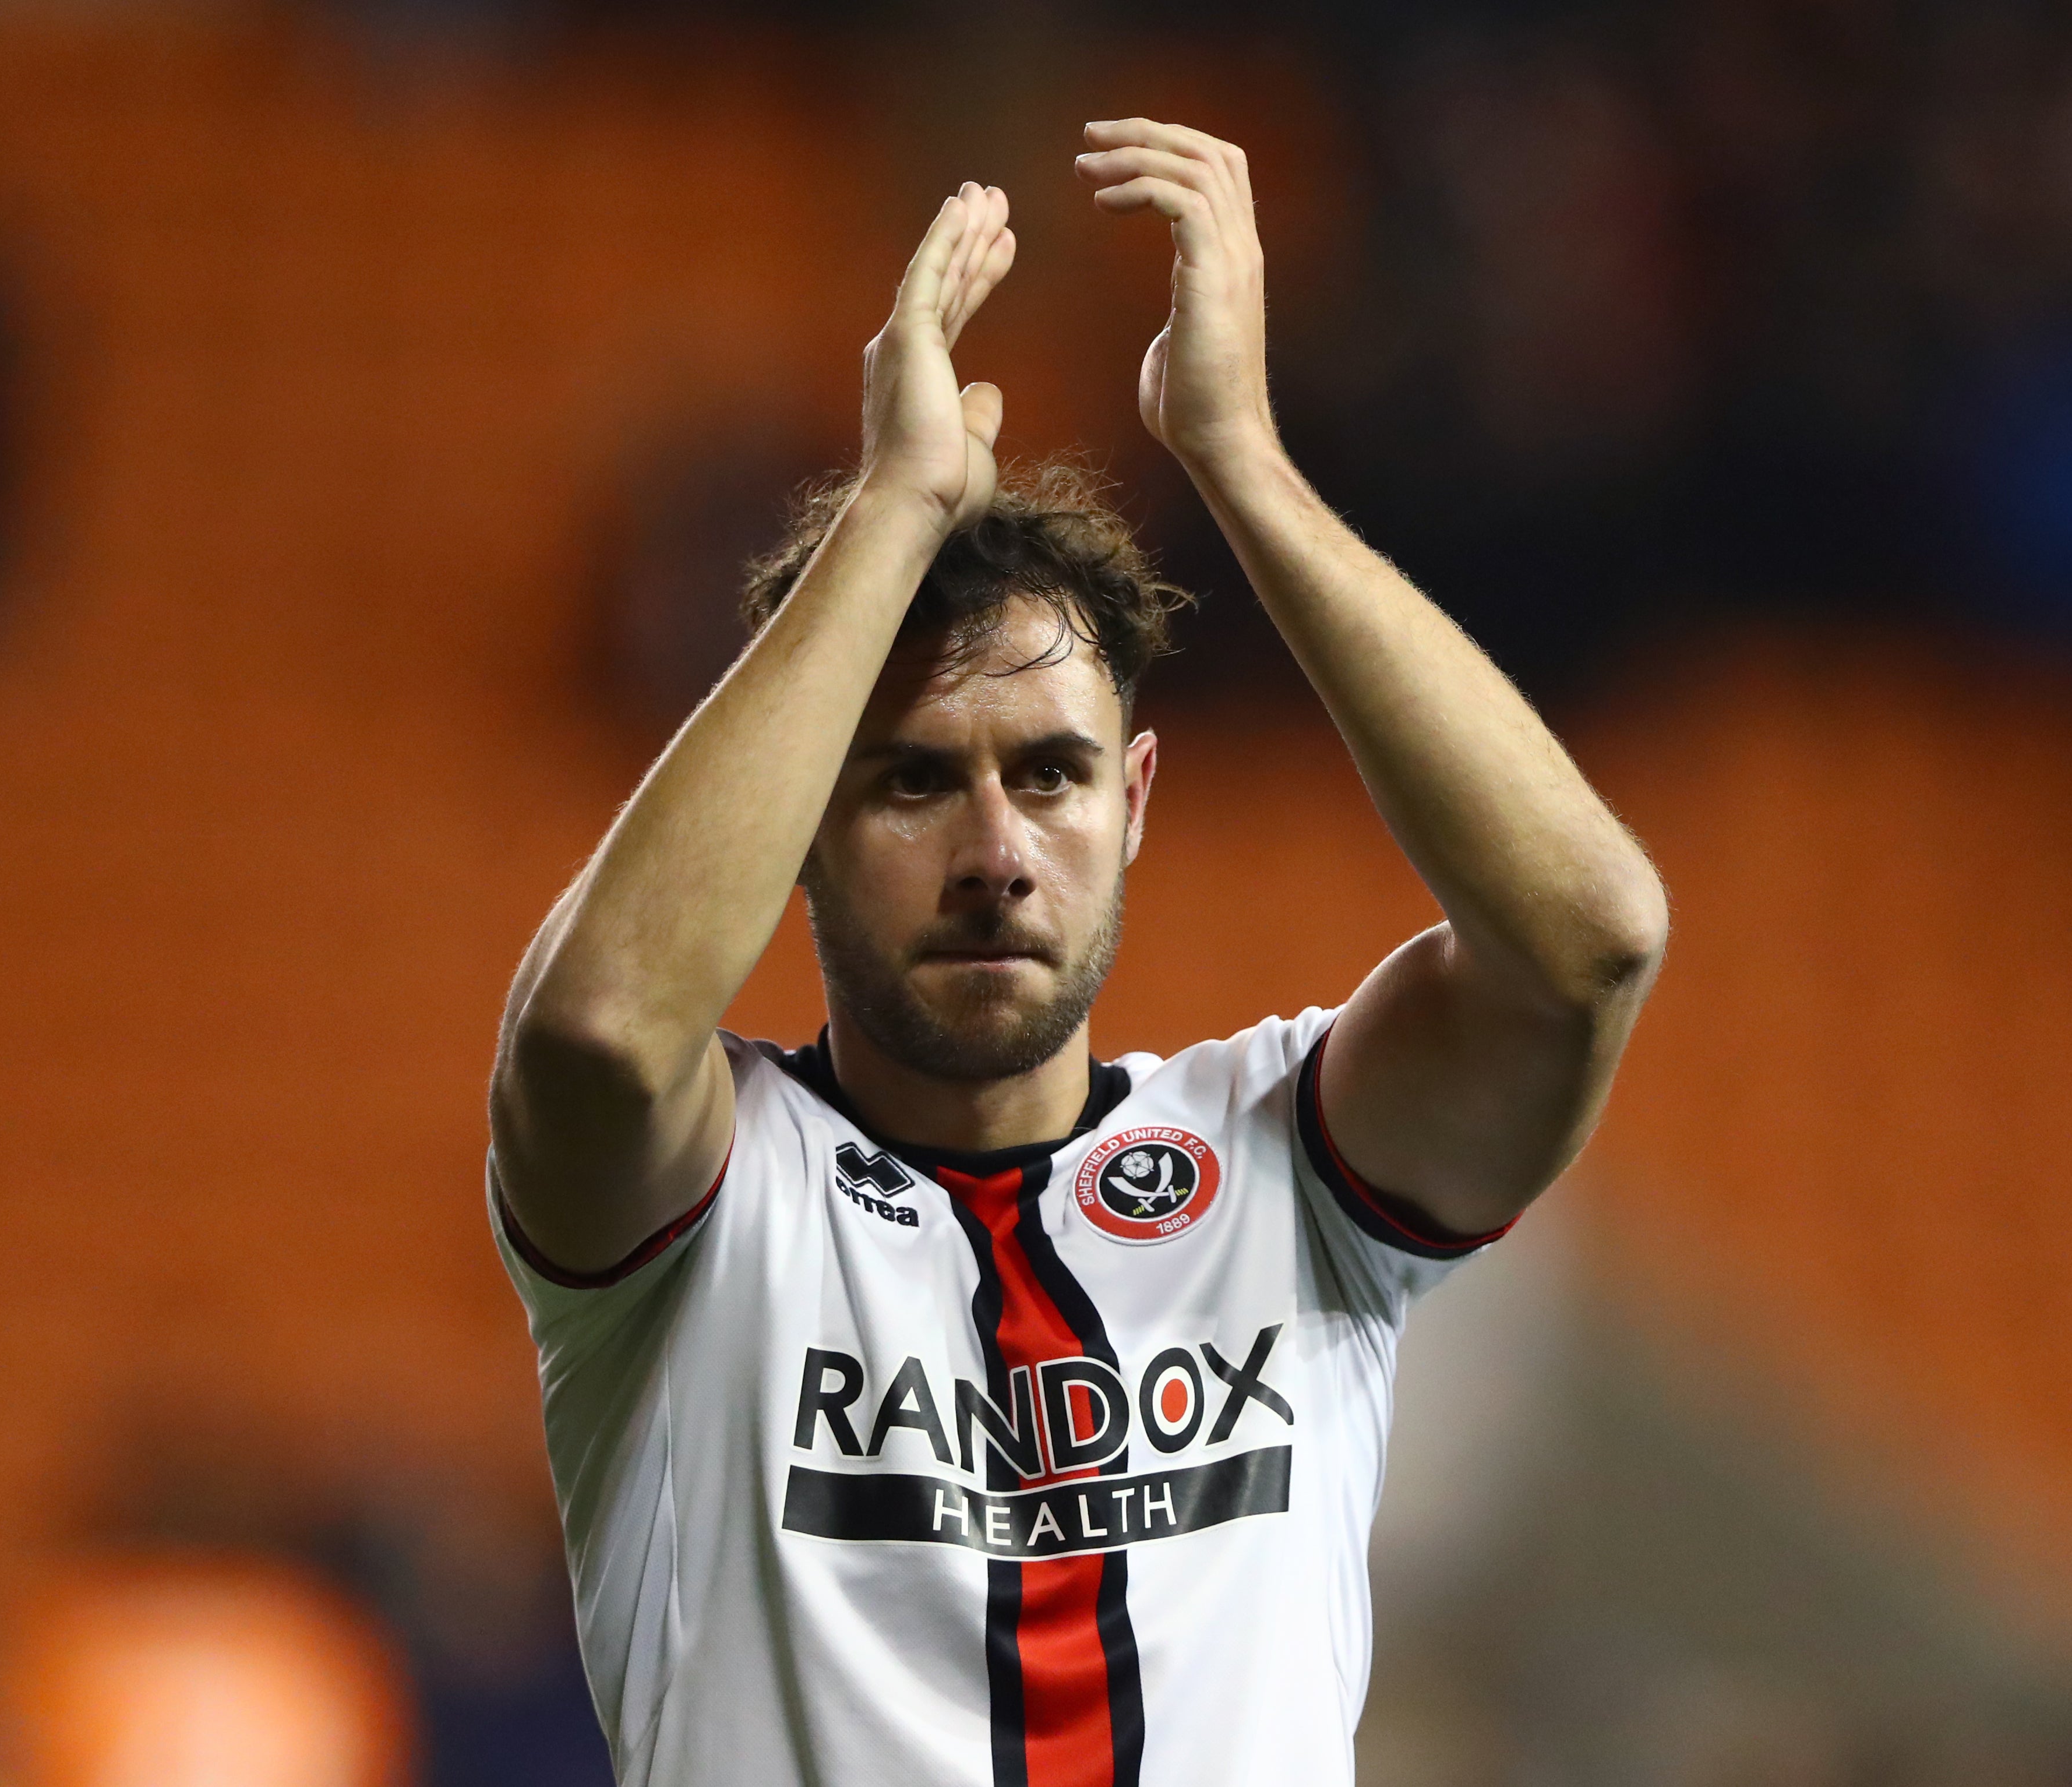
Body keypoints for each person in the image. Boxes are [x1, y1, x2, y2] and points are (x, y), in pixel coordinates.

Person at [487, 118, 1669, 1787]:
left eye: (1047, 775)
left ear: (1132, 801)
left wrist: (1241, 462)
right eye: (910, 781)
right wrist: (890, 512)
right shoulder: (707, 1199)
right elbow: (602, 1028)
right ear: (804, 823)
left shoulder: (1282, 1168)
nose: (992, 855)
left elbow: (1588, 944)